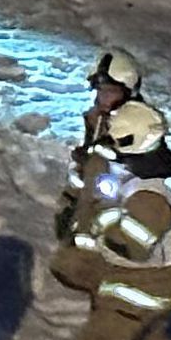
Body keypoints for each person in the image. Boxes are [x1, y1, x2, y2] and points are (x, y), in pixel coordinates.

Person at [54, 97, 171, 340]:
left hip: (143, 284)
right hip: (146, 278)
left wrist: (99, 221)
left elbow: (128, 245)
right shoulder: (146, 171)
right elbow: (114, 190)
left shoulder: (151, 198)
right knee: (149, 336)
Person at [54, 47, 143, 243]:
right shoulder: (97, 119)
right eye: (100, 90)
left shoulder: (139, 125)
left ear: (127, 92)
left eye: (110, 91)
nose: (103, 97)